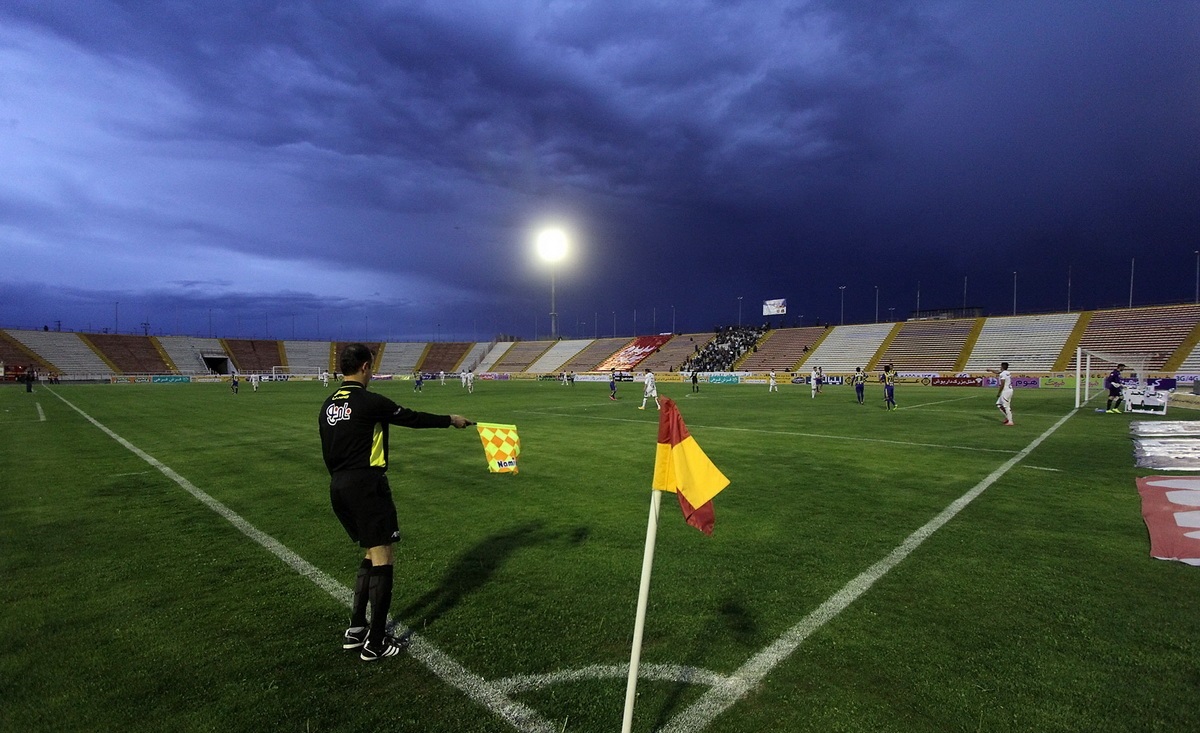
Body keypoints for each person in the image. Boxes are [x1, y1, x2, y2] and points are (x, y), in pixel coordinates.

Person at [320, 343, 473, 661]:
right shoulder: (369, 401)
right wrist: (450, 419)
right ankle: (375, 643)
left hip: (338, 486)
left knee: (369, 552)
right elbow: (412, 418)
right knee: (383, 559)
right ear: (364, 366)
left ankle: (356, 628)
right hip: (367, 485)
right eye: (371, 366)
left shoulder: (328, 404)